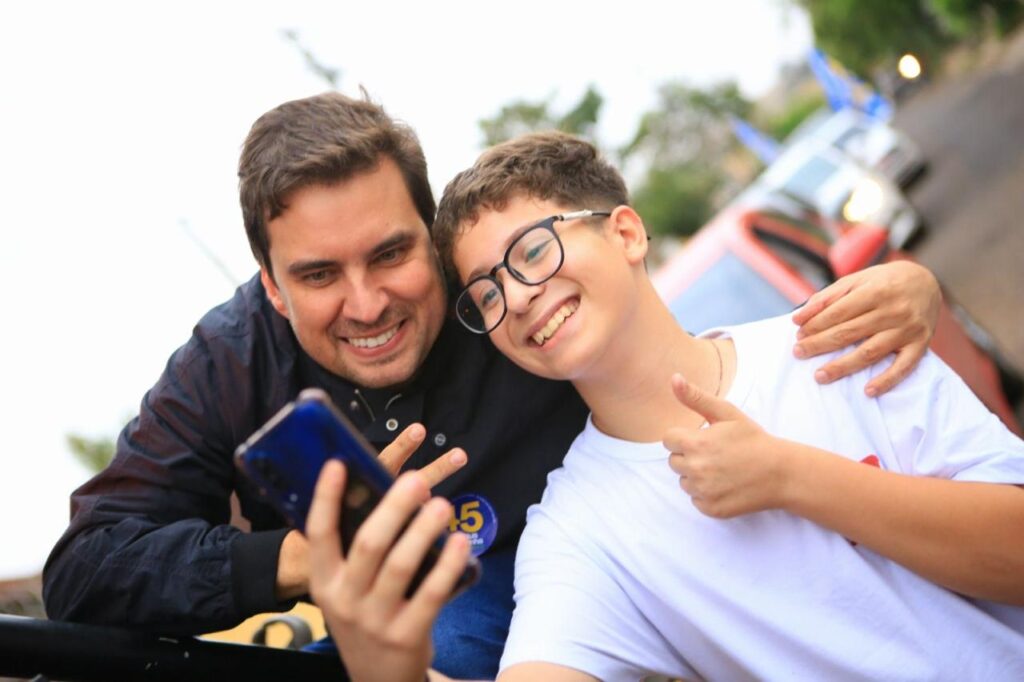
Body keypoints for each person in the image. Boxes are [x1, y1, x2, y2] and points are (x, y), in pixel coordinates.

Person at [43, 92, 941, 678]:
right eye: (318, 276)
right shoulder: (227, 361)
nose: (367, 304)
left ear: (432, 236)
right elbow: (85, 568)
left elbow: (646, 334)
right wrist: (312, 558)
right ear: (272, 289)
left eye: (393, 254)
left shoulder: (508, 297)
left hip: (588, 576)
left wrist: (906, 286)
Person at [307, 131, 1024, 681]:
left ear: (625, 232)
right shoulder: (577, 531)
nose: (518, 297)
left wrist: (790, 478)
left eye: (531, 252)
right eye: (487, 295)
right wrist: (385, 665)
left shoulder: (837, 343)